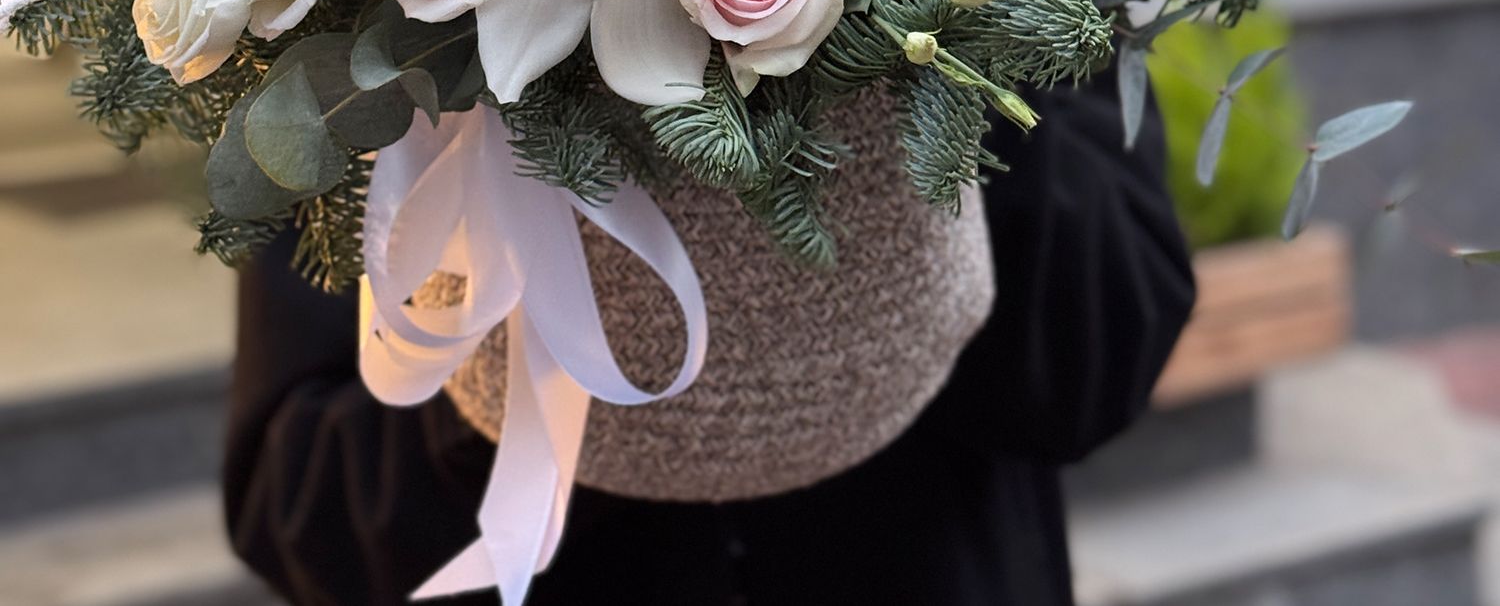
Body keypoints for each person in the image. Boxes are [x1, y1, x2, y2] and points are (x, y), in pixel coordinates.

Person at [225, 68, 1195, 606]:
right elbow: (298, 503)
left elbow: (1106, 353)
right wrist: (537, 364)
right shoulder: (378, 63)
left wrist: (946, 75)